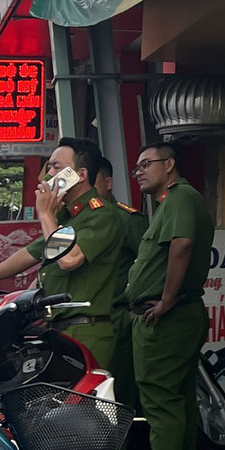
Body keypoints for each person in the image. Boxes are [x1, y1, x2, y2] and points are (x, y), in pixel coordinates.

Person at [122, 143, 214, 450]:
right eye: (136, 166)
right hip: (177, 315)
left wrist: (165, 300)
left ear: (170, 165)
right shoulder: (176, 200)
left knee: (161, 406)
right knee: (179, 403)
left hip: (165, 318)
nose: (139, 171)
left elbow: (182, 247)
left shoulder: (178, 198)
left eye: (147, 164)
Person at [0, 137, 125, 368]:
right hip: (58, 329)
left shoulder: (101, 215)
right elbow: (31, 253)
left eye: (56, 167)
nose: (48, 174)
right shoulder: (67, 216)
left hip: (86, 331)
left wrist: (45, 214)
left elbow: (69, 259)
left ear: (80, 175)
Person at [94, 157, 148, 414]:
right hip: (73, 318)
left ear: (108, 183)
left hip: (116, 317)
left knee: (114, 398)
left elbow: (151, 264)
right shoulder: (69, 218)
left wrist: (137, 308)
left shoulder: (126, 219)